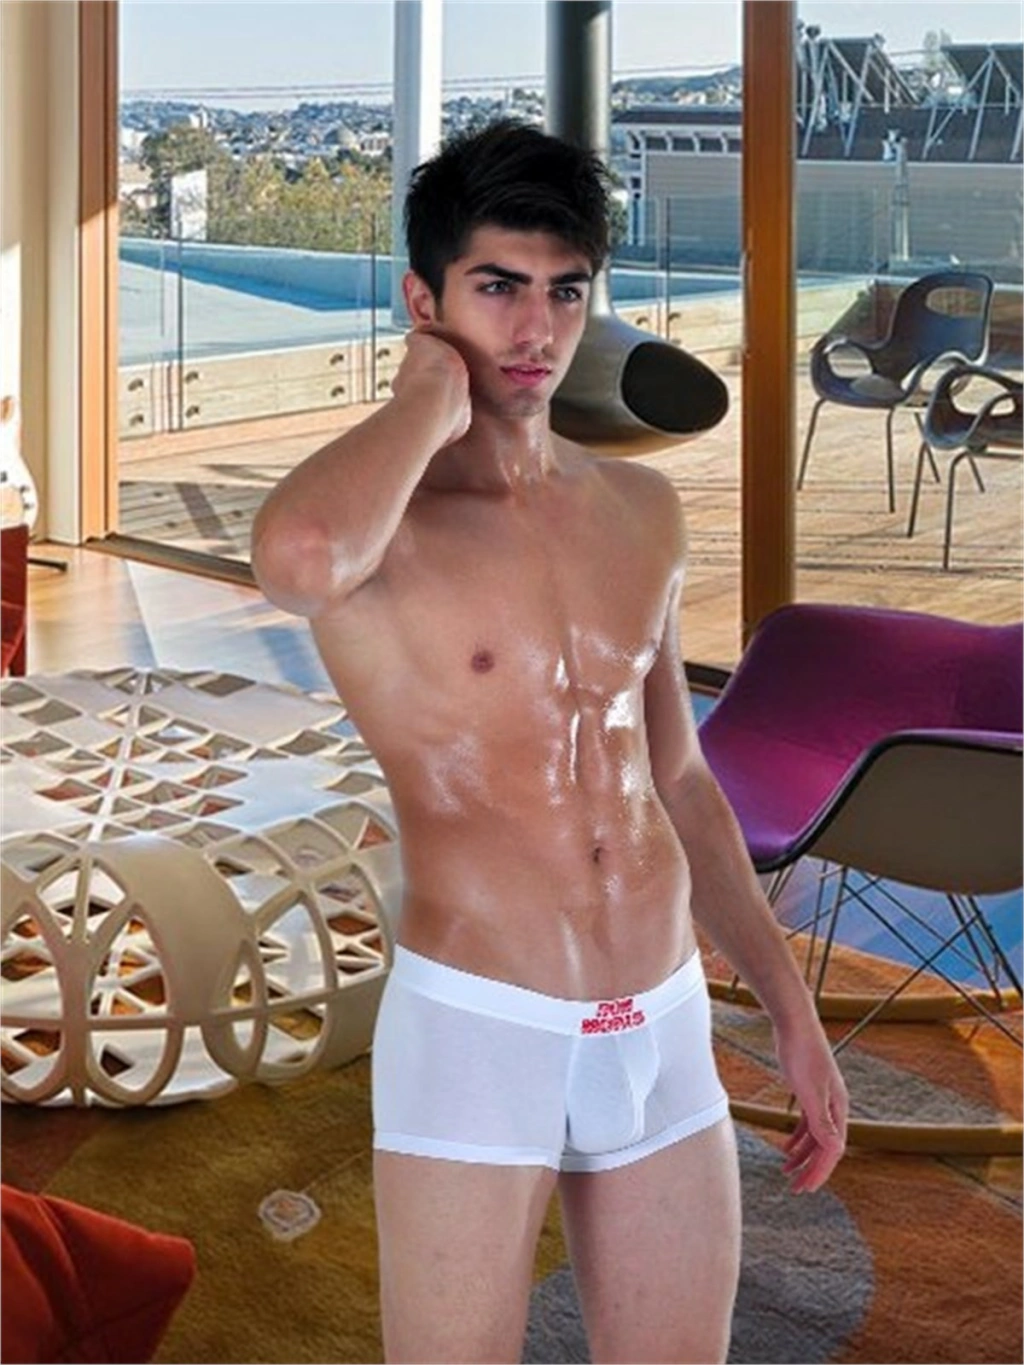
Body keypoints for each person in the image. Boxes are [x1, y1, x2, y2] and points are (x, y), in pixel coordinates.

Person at [251, 119, 848, 1365]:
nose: (536, 330)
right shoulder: (380, 532)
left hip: (661, 1014)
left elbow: (676, 775)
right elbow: (296, 560)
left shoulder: (641, 506)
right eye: (498, 288)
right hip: (483, 1025)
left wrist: (787, 1005)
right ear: (424, 301)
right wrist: (425, 397)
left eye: (566, 292)